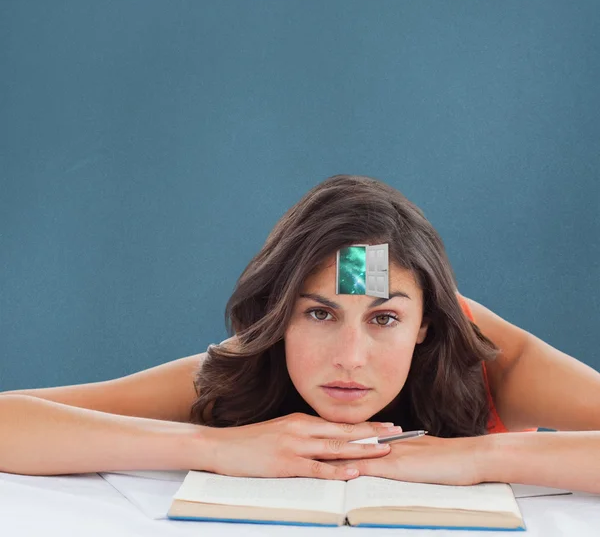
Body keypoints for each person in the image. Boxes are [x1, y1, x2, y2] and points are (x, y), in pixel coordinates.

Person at [1, 174, 599, 495]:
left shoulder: (492, 362)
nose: (349, 357)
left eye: (384, 319)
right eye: (319, 314)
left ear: (427, 326)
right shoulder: (252, 365)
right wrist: (212, 447)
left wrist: (478, 456)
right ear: (279, 316)